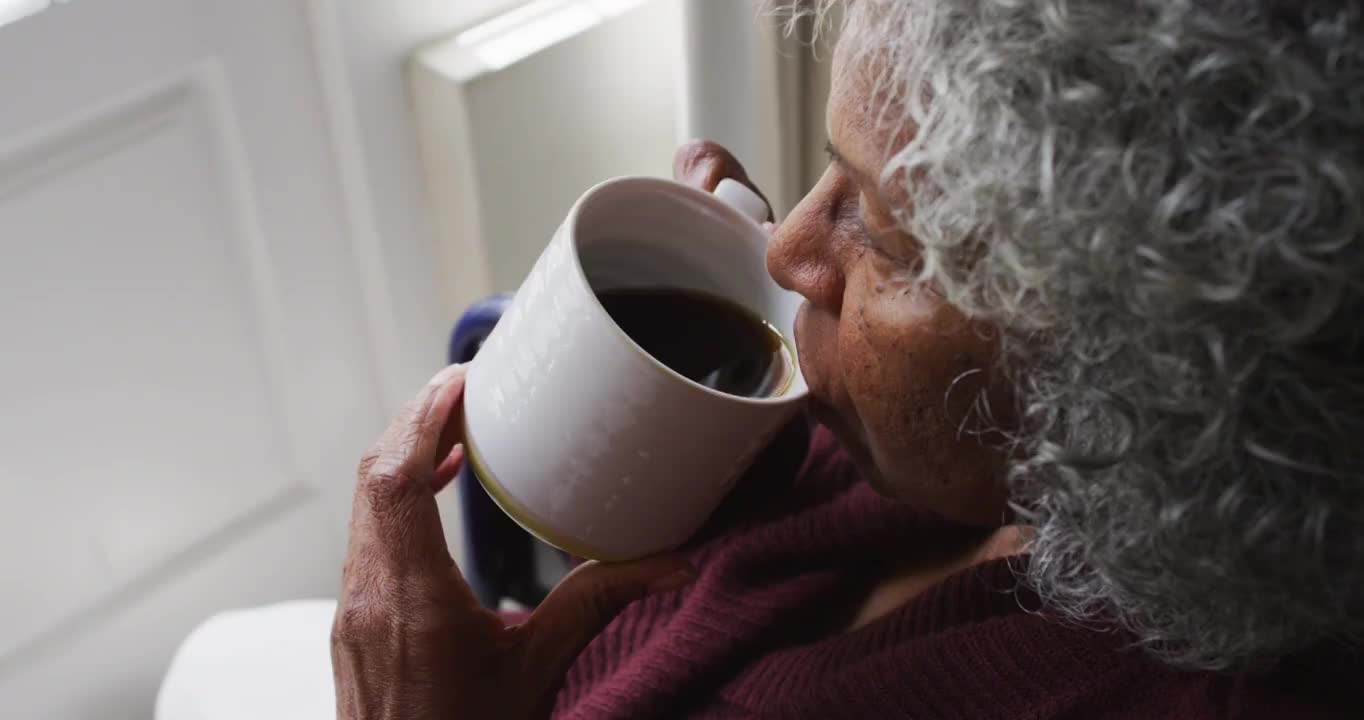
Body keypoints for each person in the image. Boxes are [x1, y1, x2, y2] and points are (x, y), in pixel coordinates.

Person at [330, 1, 1364, 718]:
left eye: (883, 229)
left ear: (1145, 369)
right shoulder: (947, 456)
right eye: (830, 166)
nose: (786, 248)